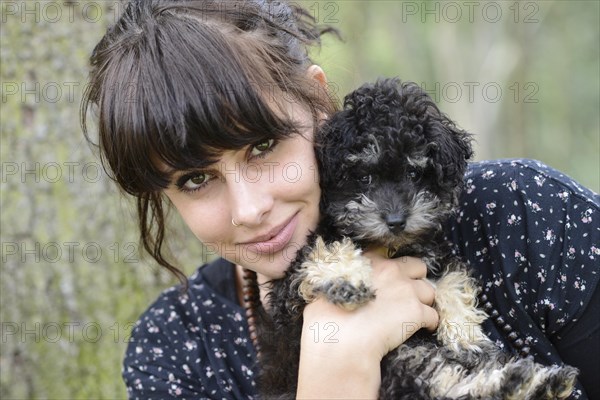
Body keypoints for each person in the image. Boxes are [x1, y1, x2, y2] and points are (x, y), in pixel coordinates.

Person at [81, 0, 600, 398]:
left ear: (318, 102)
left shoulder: (524, 216)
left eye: (263, 146)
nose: (249, 208)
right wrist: (337, 369)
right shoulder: (178, 350)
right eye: (195, 179)